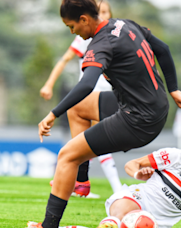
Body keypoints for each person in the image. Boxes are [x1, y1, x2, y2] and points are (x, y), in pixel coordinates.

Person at [30, 0, 181, 227]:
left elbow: (87, 84)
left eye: (71, 26)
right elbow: (163, 49)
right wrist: (174, 89)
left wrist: (52, 114)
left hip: (137, 120)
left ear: (85, 19)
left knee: (67, 155)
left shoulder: (100, 45)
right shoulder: (124, 24)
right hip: (154, 106)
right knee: (78, 109)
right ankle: (81, 179)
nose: (72, 31)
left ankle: (48, 226)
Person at [41, 0, 123, 198]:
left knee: (90, 144)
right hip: (89, 97)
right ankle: (103, 186)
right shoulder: (83, 38)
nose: (102, 14)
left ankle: (80, 180)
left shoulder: (115, 36)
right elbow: (64, 60)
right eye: (99, 11)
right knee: (89, 143)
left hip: (109, 96)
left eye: (105, 12)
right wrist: (49, 84)